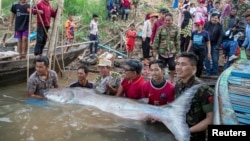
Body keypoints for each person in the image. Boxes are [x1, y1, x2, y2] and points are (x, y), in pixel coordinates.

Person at [175, 52, 214, 141]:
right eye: (177, 64)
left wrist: (187, 131)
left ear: (193, 68)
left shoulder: (203, 89)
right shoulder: (179, 84)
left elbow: (210, 119)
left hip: (197, 136)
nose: (178, 67)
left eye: (183, 64)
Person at [152, 13, 180, 83]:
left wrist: (178, 52)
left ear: (172, 20)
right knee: (161, 66)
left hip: (171, 52)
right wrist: (154, 50)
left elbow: (177, 41)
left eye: (169, 20)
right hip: (162, 51)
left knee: (172, 66)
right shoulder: (160, 28)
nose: (168, 22)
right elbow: (156, 39)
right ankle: (162, 80)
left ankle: (172, 80)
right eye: (166, 20)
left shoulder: (176, 28)